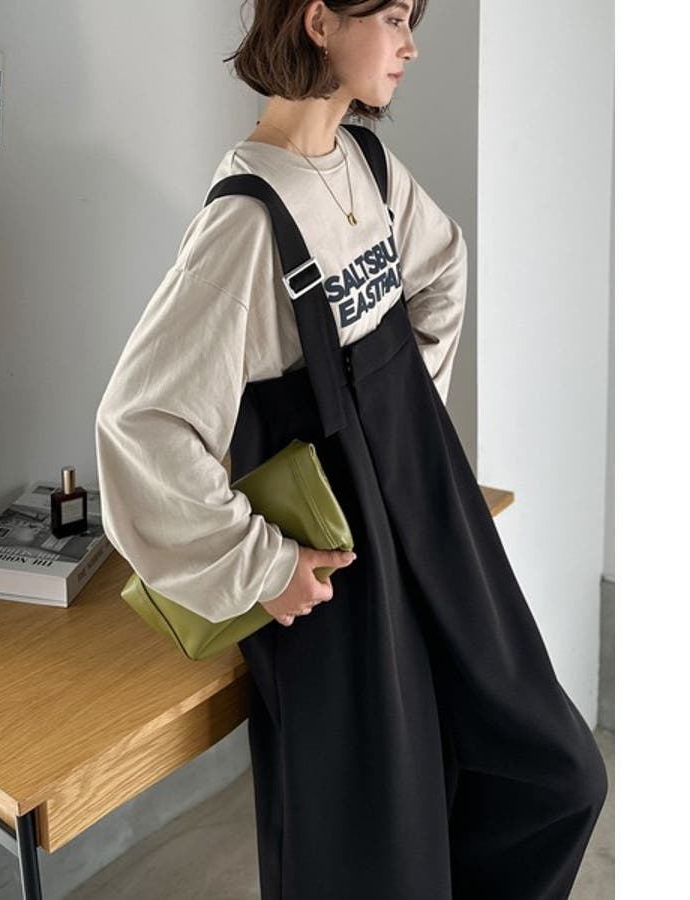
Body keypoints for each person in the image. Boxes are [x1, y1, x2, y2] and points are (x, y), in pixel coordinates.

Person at [95, 1, 608, 896]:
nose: (411, 45)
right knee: (375, 853)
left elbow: (442, 268)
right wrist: (263, 567)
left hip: (427, 519)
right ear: (320, 21)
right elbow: (140, 424)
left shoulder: (365, 164)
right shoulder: (246, 221)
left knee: (554, 774)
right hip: (340, 581)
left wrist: (403, 425)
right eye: (395, 17)